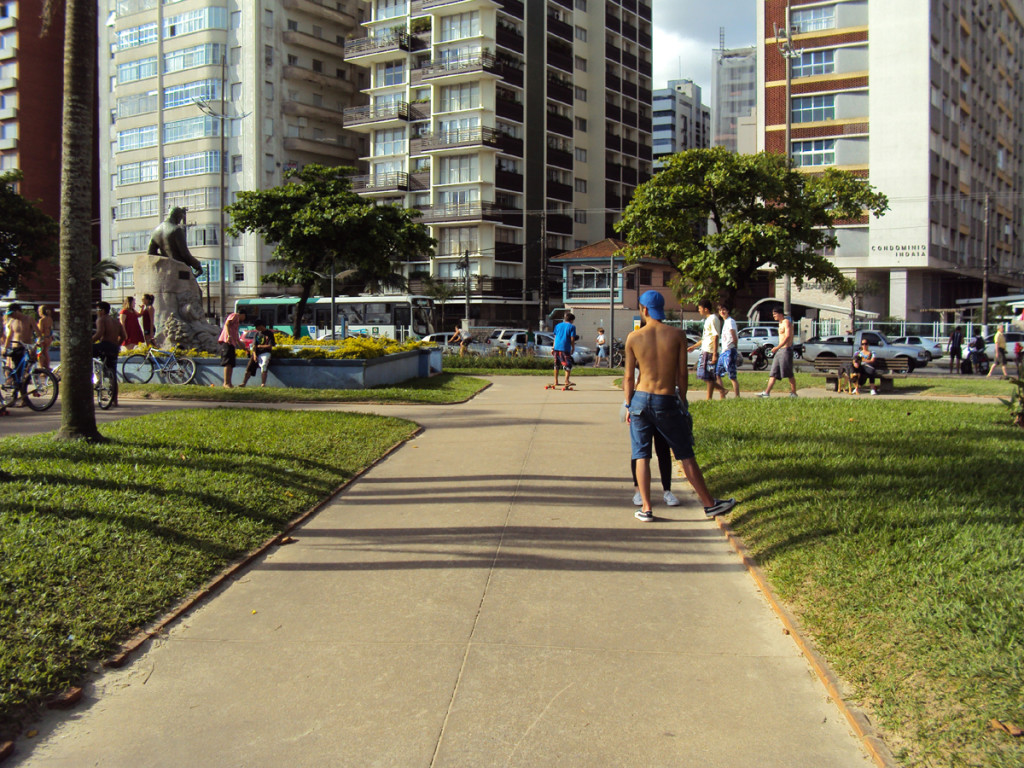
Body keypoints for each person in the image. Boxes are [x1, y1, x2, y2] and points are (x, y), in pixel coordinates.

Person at [624, 290, 736, 522]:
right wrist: (682, 401)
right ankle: (709, 504)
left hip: (640, 400)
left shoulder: (633, 338)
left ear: (643, 310)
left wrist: (628, 405)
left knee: (641, 454)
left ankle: (646, 508)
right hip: (665, 398)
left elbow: (628, 377)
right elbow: (682, 374)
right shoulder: (677, 335)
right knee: (684, 453)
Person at [688, 299, 726, 400]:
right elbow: (705, 338)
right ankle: (721, 390)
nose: (699, 311)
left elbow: (715, 336)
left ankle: (711, 397)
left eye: (700, 308)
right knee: (704, 375)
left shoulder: (713, 319)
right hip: (705, 350)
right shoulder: (708, 320)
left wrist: (714, 353)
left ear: (706, 309)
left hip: (709, 351)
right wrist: (694, 346)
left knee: (708, 376)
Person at [758, 306, 798, 398]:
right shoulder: (780, 324)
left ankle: (794, 393)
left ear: (780, 314)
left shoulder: (786, 322)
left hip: (786, 350)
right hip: (780, 350)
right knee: (774, 372)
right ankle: (766, 393)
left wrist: (777, 347)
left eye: (775, 314)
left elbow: (787, 337)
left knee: (788, 372)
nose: (774, 316)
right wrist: (778, 348)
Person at [92, 301, 126, 407]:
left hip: (104, 345)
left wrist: (88, 341)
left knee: (84, 352)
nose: (97, 312)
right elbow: (124, 336)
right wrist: (117, 345)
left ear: (102, 311)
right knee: (113, 374)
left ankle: (93, 376)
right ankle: (115, 400)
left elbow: (99, 334)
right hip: (114, 347)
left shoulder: (101, 319)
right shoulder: (116, 322)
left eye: (97, 310)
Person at [217, 307, 247, 388]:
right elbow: (227, 324)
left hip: (232, 343)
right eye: (244, 317)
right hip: (227, 342)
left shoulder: (237, 323)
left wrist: (243, 347)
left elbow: (237, 337)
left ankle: (229, 383)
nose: (244, 319)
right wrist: (229, 335)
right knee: (227, 362)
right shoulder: (235, 316)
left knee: (231, 363)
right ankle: (226, 383)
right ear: (242, 315)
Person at [240, 320, 276, 387]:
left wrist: (260, 346)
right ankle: (244, 383)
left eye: (257, 327)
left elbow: (270, 345)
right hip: (256, 353)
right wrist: (254, 354)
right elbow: (254, 345)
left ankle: (263, 384)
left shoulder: (269, 333)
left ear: (261, 326)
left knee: (264, 366)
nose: (256, 328)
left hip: (265, 352)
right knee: (249, 367)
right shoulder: (257, 334)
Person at [715, 303, 740, 398]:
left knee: (732, 375)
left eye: (724, 310)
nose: (722, 312)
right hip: (723, 351)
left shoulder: (730, 321)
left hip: (729, 350)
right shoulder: (725, 322)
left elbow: (733, 335)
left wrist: (734, 346)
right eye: (720, 310)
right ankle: (722, 394)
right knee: (717, 373)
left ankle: (737, 396)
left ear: (728, 311)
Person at [552, 310, 579, 388]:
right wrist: (573, 347)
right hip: (565, 347)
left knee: (556, 365)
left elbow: (555, 336)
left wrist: (553, 347)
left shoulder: (557, 325)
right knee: (568, 365)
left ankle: (555, 381)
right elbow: (572, 338)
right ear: (572, 320)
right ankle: (566, 381)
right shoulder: (572, 327)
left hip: (556, 347)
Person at [37, 305, 54, 370]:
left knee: (39, 353)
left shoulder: (42, 320)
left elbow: (40, 331)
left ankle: (41, 367)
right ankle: (47, 366)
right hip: (48, 337)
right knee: (46, 352)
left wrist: (38, 339)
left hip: (42, 338)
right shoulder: (50, 319)